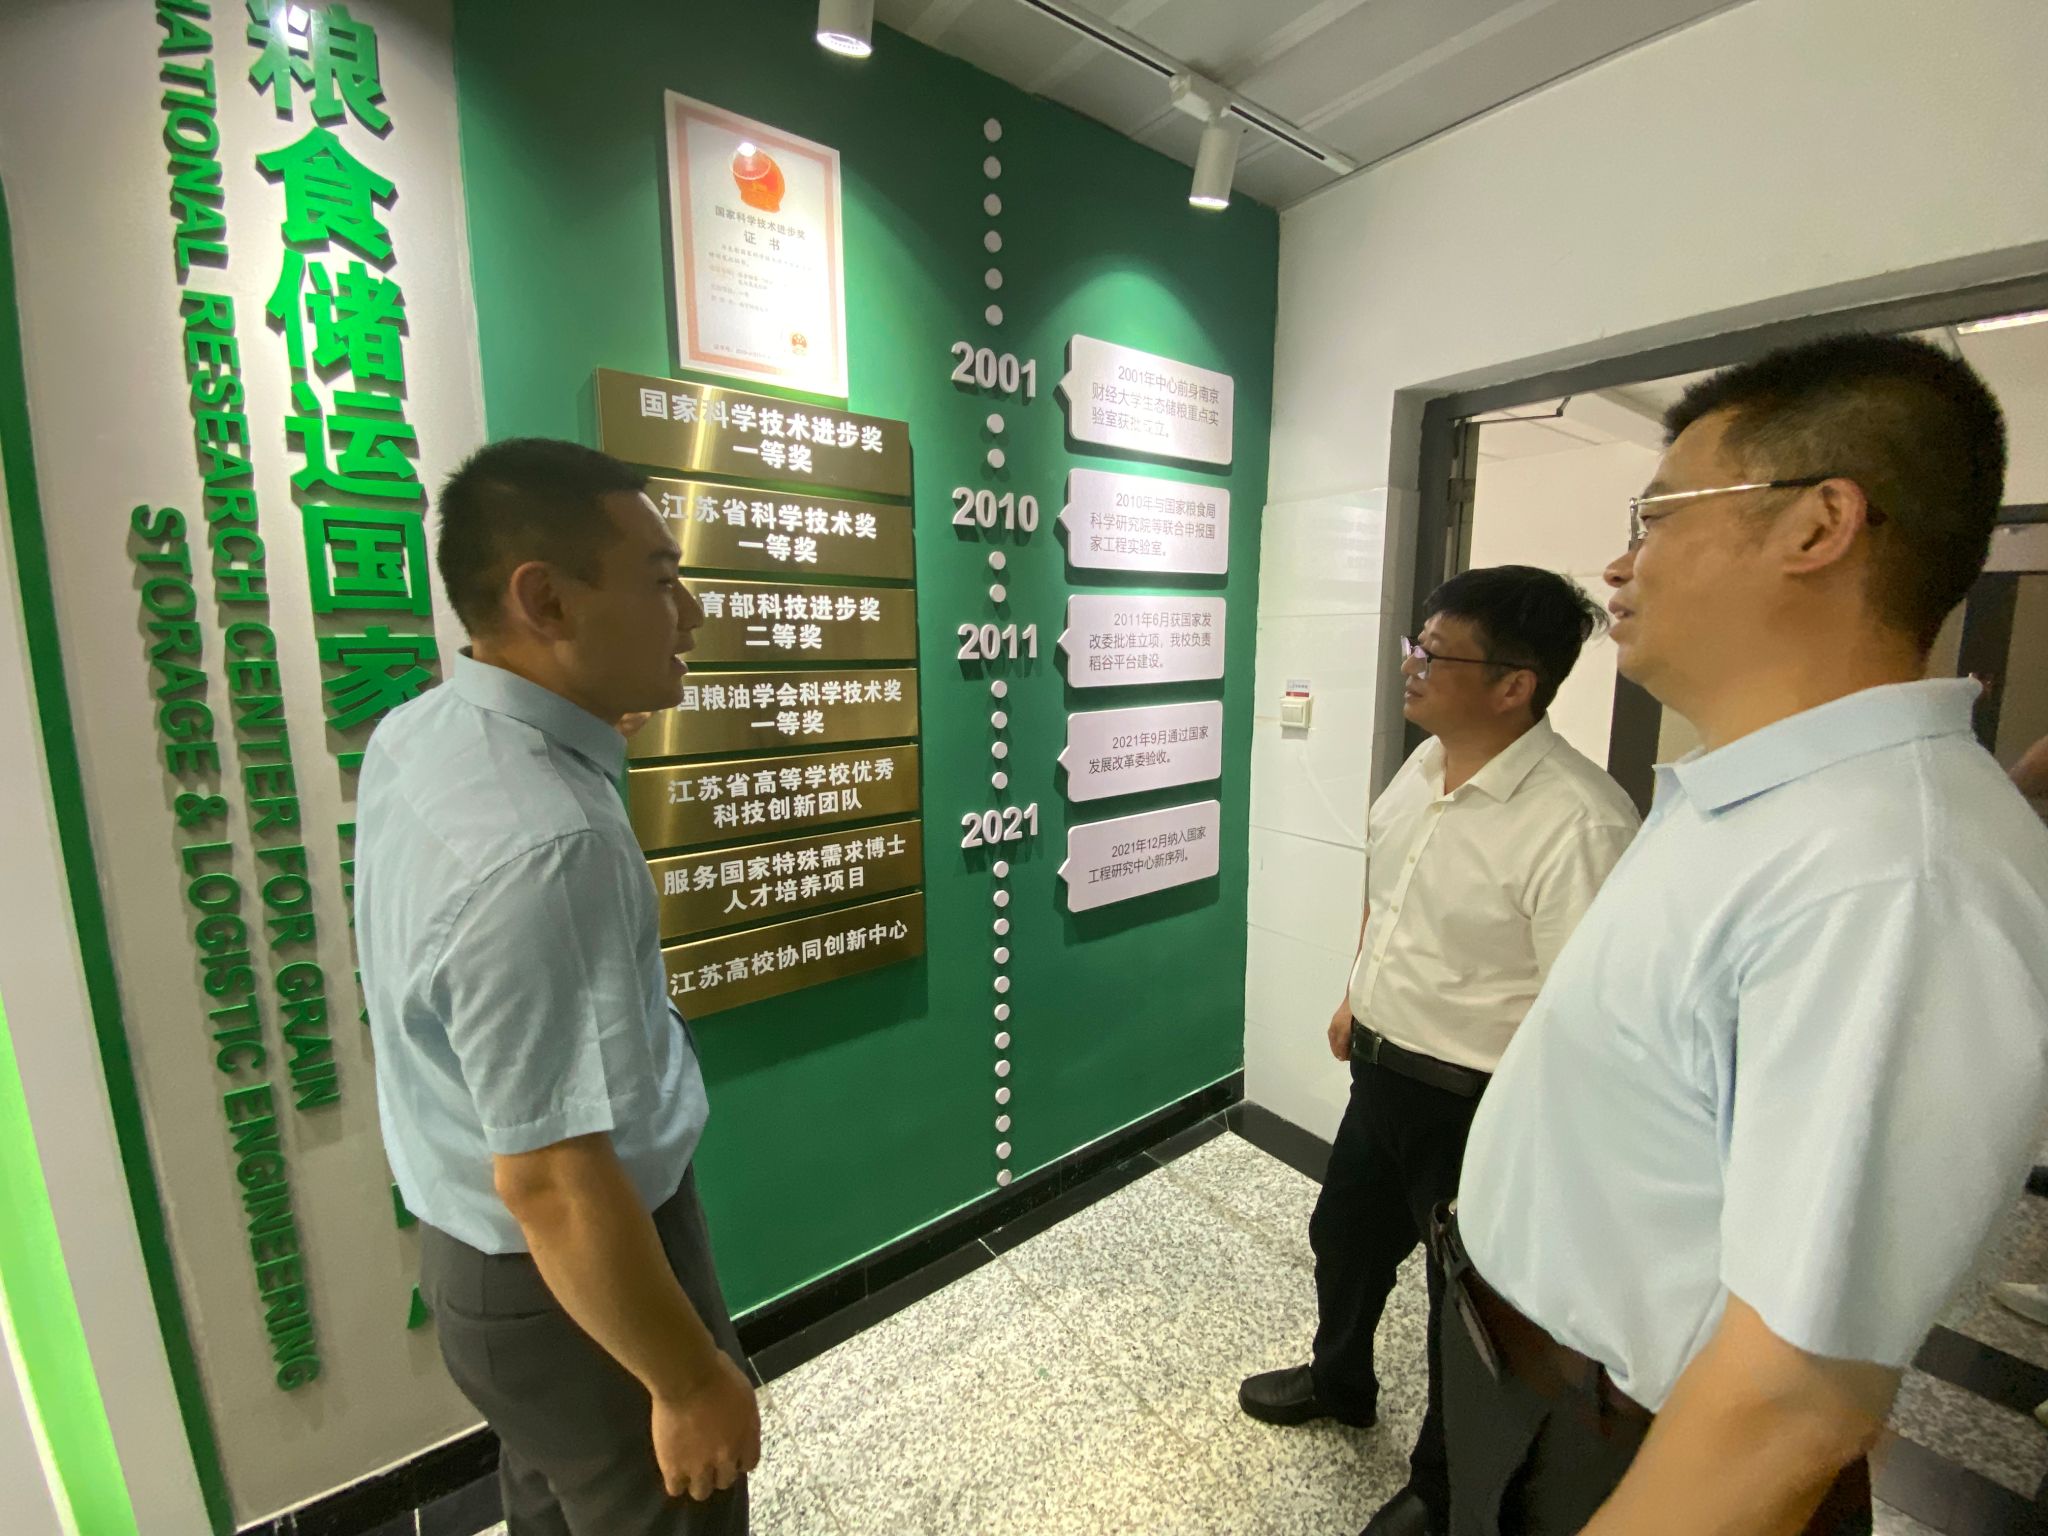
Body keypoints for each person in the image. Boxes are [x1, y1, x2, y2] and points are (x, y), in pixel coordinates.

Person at [1441, 333, 2048, 1535]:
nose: (1620, 561)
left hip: (1646, 1452)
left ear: (1817, 525)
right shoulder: (1766, 797)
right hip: (1530, 1385)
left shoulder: (1893, 878)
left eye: (1658, 514)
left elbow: (1790, 1403)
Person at [357, 438, 757, 1535]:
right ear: (546, 601)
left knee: (557, 1508)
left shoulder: (424, 735)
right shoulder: (549, 844)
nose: (691, 615)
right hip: (579, 1276)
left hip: (484, 1272)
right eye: (661, 580)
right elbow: (554, 1183)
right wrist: (688, 1381)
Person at [1237, 565, 1640, 1536]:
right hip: (1383, 1071)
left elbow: (1585, 1012)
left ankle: (1441, 1488)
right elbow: (1391, 899)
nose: (1410, 667)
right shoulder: (1422, 767)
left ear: (1515, 685)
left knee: (1461, 1310)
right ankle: (1339, 1380)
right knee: (1344, 1238)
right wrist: (1355, 995)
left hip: (1480, 1103)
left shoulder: (1579, 821)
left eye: (1436, 653)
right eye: (1414, 644)